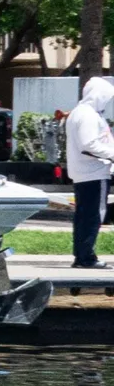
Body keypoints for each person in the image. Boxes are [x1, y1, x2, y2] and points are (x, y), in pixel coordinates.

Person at [69, 75, 114, 270]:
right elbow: (89, 144)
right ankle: (86, 257)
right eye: (106, 97)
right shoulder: (88, 115)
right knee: (94, 215)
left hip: (84, 173)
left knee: (84, 215)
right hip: (93, 173)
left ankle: (82, 254)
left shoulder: (79, 112)